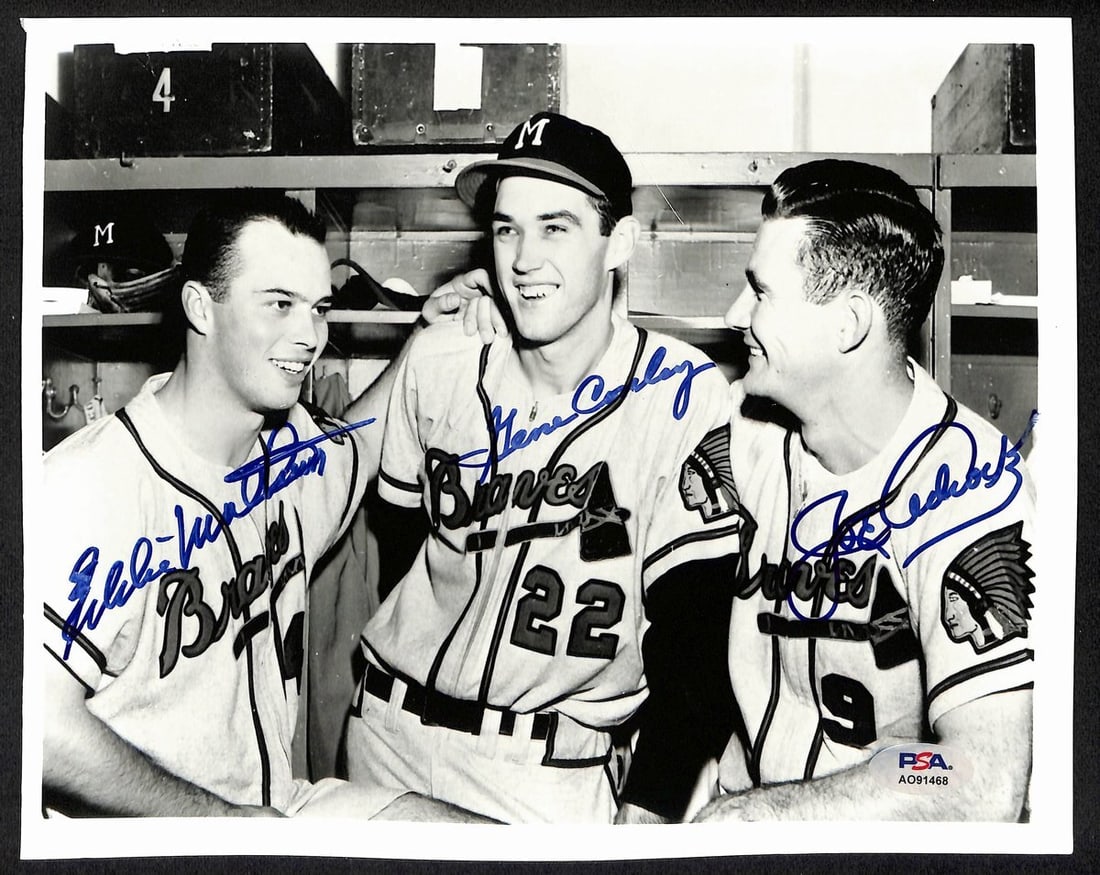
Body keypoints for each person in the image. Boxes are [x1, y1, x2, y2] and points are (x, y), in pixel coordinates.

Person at [40, 193, 495, 820]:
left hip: (280, 809)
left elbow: (358, 440)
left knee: (480, 842)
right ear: (201, 307)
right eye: (279, 304)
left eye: (319, 309)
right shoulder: (90, 482)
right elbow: (34, 725)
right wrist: (219, 824)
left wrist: (423, 336)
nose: (308, 337)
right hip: (154, 836)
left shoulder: (287, 457)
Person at [343, 112, 742, 824]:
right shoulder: (438, 361)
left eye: (555, 227)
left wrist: (650, 801)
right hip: (385, 740)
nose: (523, 258)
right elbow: (401, 551)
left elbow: (699, 638)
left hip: (547, 774)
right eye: (506, 228)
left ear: (617, 242)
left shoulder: (685, 394)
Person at [619, 158, 1036, 823]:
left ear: (848, 324)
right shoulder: (746, 430)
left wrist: (781, 809)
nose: (734, 314)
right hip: (740, 815)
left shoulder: (971, 485)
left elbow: (980, 775)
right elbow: (685, 646)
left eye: (761, 291)